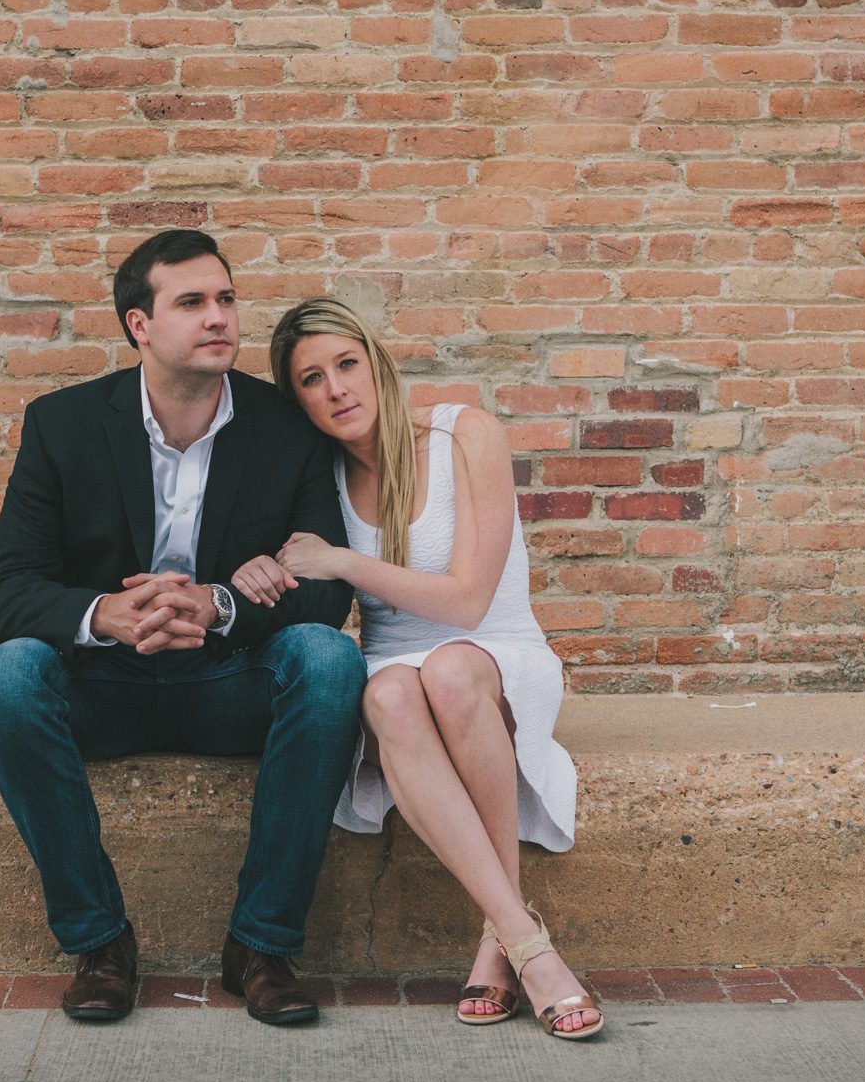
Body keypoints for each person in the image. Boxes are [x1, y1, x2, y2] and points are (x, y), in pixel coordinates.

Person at [0, 231, 367, 1026]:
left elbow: (326, 592)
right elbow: (5, 589)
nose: (218, 317)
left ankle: (261, 944)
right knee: (7, 675)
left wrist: (219, 604)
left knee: (327, 659)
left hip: (230, 681)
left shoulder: (286, 428)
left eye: (225, 298)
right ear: (139, 325)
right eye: (192, 302)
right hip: (102, 684)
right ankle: (101, 942)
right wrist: (100, 614)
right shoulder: (63, 424)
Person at [236, 298, 602, 1040]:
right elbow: (271, 564)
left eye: (346, 364)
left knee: (450, 674)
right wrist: (250, 569)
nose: (336, 388)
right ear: (297, 398)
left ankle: (511, 944)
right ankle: (518, 937)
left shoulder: (464, 432)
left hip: (495, 648)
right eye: (311, 378)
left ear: (376, 362)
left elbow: (469, 601)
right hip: (395, 657)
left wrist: (341, 558)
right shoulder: (320, 477)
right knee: (395, 693)